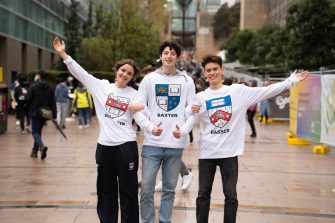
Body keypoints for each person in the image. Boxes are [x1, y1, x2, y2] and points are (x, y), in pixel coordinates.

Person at [189, 55, 309, 223]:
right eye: (208, 70)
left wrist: (290, 81)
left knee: (230, 195)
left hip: (229, 154)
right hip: (207, 153)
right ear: (204, 73)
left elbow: (266, 92)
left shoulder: (237, 92)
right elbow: (188, 118)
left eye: (215, 69)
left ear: (222, 70)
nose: (212, 73)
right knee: (203, 195)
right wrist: (187, 116)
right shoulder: (200, 97)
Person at [53, 36, 147, 223]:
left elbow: (148, 111)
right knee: (106, 188)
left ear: (132, 77)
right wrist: (63, 54)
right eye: (123, 70)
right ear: (117, 70)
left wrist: (143, 108)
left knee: (128, 190)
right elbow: (81, 73)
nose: (125, 74)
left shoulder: (136, 95)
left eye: (129, 73)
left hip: (126, 146)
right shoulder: (101, 87)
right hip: (104, 147)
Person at [136, 41, 196, 223]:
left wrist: (184, 130)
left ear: (177, 57)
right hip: (152, 144)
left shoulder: (186, 80)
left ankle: (164, 221)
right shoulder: (149, 79)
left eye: (172, 53)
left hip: (175, 145)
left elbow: (192, 112)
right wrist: (150, 127)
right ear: (160, 56)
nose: (169, 56)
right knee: (146, 188)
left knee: (169, 190)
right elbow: (138, 109)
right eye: (166, 52)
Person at [26, 71, 56, 159]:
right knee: (38, 132)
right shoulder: (50, 87)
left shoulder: (33, 86)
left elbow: (27, 99)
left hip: (35, 113)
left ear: (38, 76)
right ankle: (34, 152)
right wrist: (54, 114)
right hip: (44, 113)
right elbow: (53, 102)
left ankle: (42, 147)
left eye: (36, 75)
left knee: (35, 132)